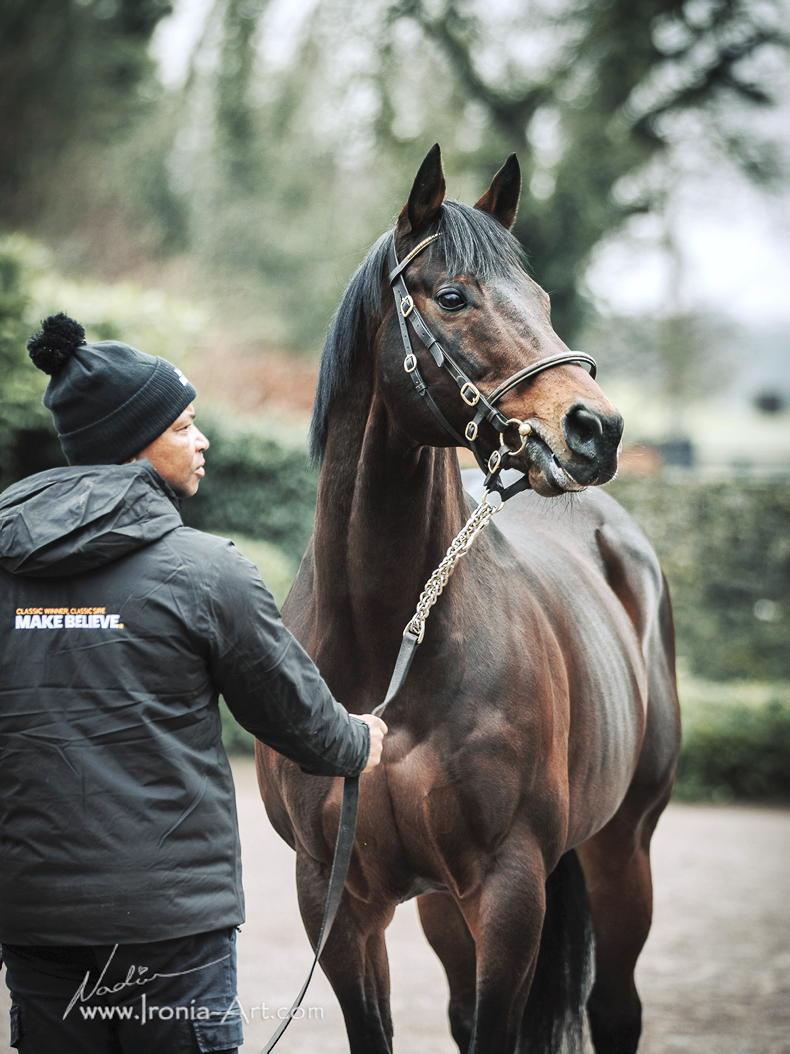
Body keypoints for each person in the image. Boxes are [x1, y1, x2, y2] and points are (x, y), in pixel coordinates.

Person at [0, 313, 388, 1054]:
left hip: (34, 918)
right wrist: (357, 742)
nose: (202, 441)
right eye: (182, 427)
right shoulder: (208, 571)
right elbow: (295, 715)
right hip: (171, 925)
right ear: (130, 444)